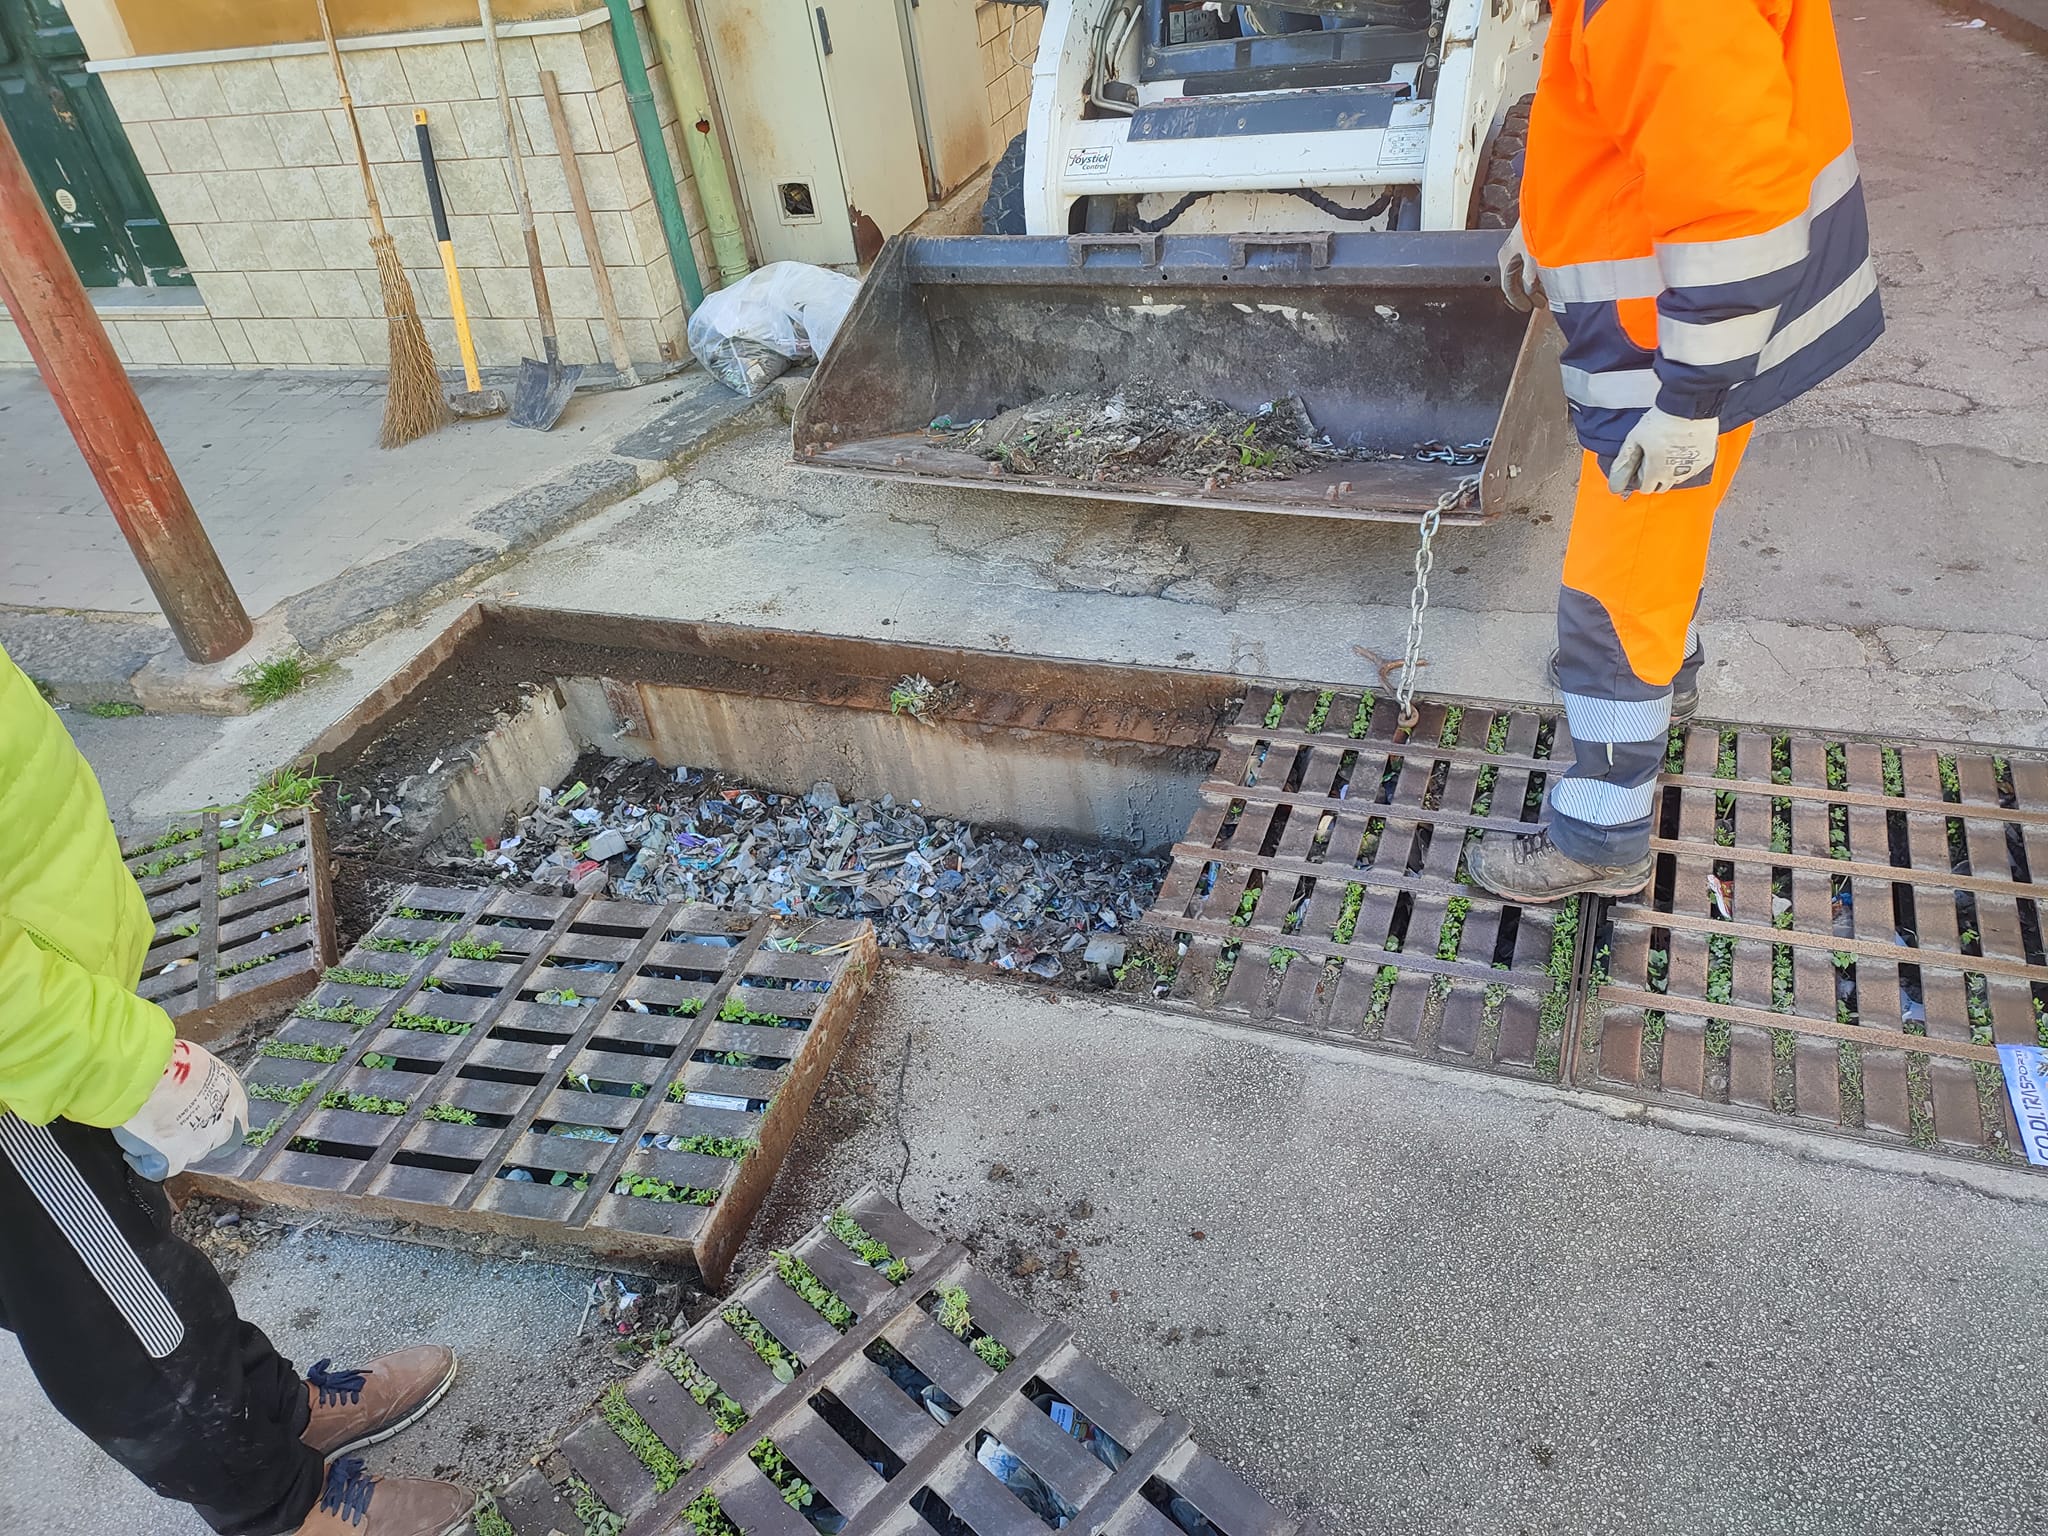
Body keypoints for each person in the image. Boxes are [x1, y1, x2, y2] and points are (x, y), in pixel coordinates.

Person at [0, 647, 473, 1536]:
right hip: (13, 1076)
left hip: (33, 1007)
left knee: (141, 1256)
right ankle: (277, 1511)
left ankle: (276, 1409)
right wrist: (113, 1060)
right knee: (120, 1315)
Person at [1467, 0, 1883, 903]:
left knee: (1611, 595)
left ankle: (1599, 835)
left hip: (1671, 356)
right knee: (1661, 545)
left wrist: (1688, 401)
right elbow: (1627, 120)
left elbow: (1729, 201)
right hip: (1689, 333)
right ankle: (1673, 672)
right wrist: (1545, 219)